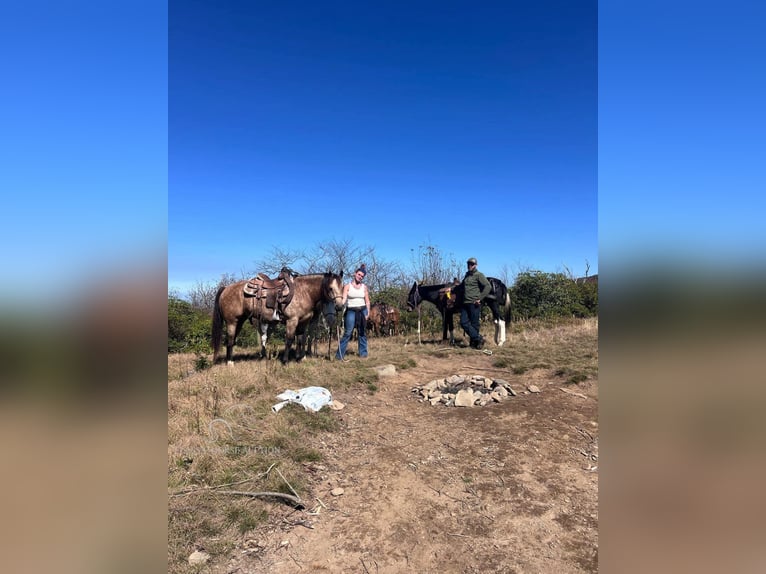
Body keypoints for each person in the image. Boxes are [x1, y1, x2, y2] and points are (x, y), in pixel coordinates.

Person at [336, 264, 371, 360]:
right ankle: (339, 355)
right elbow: (344, 300)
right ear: (355, 274)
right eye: (359, 275)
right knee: (348, 333)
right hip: (351, 310)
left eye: (362, 276)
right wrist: (339, 305)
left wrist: (368, 312)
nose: (360, 277)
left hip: (362, 310)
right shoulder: (347, 286)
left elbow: (367, 301)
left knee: (362, 332)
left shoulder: (364, 287)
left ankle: (363, 354)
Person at [460, 257, 491, 349]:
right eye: (468, 264)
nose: (469, 265)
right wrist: (451, 288)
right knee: (463, 322)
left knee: (474, 324)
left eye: (472, 264)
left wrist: (480, 298)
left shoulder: (479, 275)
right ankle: (478, 338)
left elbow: (488, 286)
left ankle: (475, 344)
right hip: (465, 303)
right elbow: (461, 286)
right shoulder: (466, 276)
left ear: (475, 265)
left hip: (474, 303)